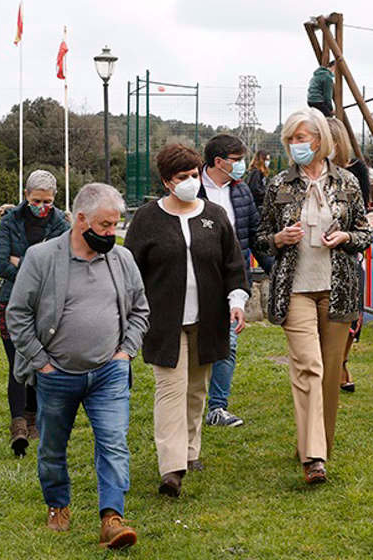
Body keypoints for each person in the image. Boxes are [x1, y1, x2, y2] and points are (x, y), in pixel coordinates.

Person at [6, 183, 149, 549]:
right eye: (104, 226)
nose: (110, 234)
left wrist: (126, 352)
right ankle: (58, 505)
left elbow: (139, 310)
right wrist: (41, 362)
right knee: (52, 446)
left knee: (114, 443)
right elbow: (18, 314)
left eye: (115, 226)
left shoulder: (122, 259)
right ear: (80, 218)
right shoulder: (41, 258)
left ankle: (112, 519)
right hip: (57, 375)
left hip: (109, 372)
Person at [254, 108, 372, 484]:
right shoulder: (279, 185)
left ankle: (316, 444)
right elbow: (260, 236)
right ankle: (314, 458)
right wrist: (277, 239)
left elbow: (364, 232)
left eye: (301, 138)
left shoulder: (348, 184)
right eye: (291, 139)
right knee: (308, 366)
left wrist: (346, 238)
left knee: (330, 372)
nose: (295, 145)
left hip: (338, 289)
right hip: (296, 289)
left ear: (320, 140)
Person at [125, 143, 248, 497]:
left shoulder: (215, 216)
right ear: (166, 181)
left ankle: (191, 451)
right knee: (170, 390)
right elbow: (131, 272)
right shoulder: (147, 219)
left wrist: (236, 299)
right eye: (183, 177)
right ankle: (171, 466)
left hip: (208, 319)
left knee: (197, 390)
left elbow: (233, 264)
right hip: (163, 322)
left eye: (195, 175)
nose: (191, 182)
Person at [0, 170, 70, 457]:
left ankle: (32, 415)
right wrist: (35, 267)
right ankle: (18, 425)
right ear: (26, 196)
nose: (42, 207)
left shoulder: (60, 224)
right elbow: (1, 264)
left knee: (39, 359)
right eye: (37, 200)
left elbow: (61, 265)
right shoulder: (10, 221)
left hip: (45, 305)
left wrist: (22, 262)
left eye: (48, 201)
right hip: (11, 303)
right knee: (16, 361)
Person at [196, 133, 261, 428]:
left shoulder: (242, 191)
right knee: (196, 343)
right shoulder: (192, 190)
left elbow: (253, 234)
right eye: (236, 161)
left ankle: (218, 407)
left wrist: (276, 266)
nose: (241, 166)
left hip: (233, 278)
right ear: (219, 161)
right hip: (196, 280)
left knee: (228, 343)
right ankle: (190, 401)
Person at [325, 117, 367, 392]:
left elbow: (361, 218)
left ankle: (341, 361)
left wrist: (347, 236)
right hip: (314, 256)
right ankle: (328, 364)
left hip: (347, 254)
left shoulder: (355, 173)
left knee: (350, 313)